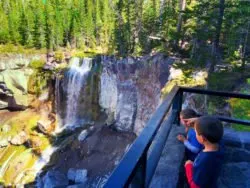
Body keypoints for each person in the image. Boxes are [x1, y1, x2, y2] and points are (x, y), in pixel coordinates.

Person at [185, 116, 224, 188]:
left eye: (196, 132)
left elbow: (195, 186)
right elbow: (213, 126)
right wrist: (198, 121)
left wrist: (188, 166)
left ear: (202, 138)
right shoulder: (219, 146)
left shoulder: (204, 160)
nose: (195, 133)